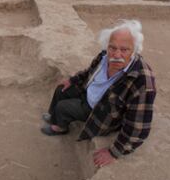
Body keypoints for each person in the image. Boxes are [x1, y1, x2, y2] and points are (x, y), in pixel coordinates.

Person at [41, 20, 156, 168]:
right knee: (61, 90)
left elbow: (139, 127)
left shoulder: (142, 81)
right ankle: (53, 117)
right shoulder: (104, 56)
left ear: (135, 50)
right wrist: (73, 80)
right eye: (112, 47)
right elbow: (89, 72)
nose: (116, 54)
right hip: (88, 92)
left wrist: (114, 152)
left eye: (124, 50)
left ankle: (60, 127)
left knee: (63, 107)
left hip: (101, 110)